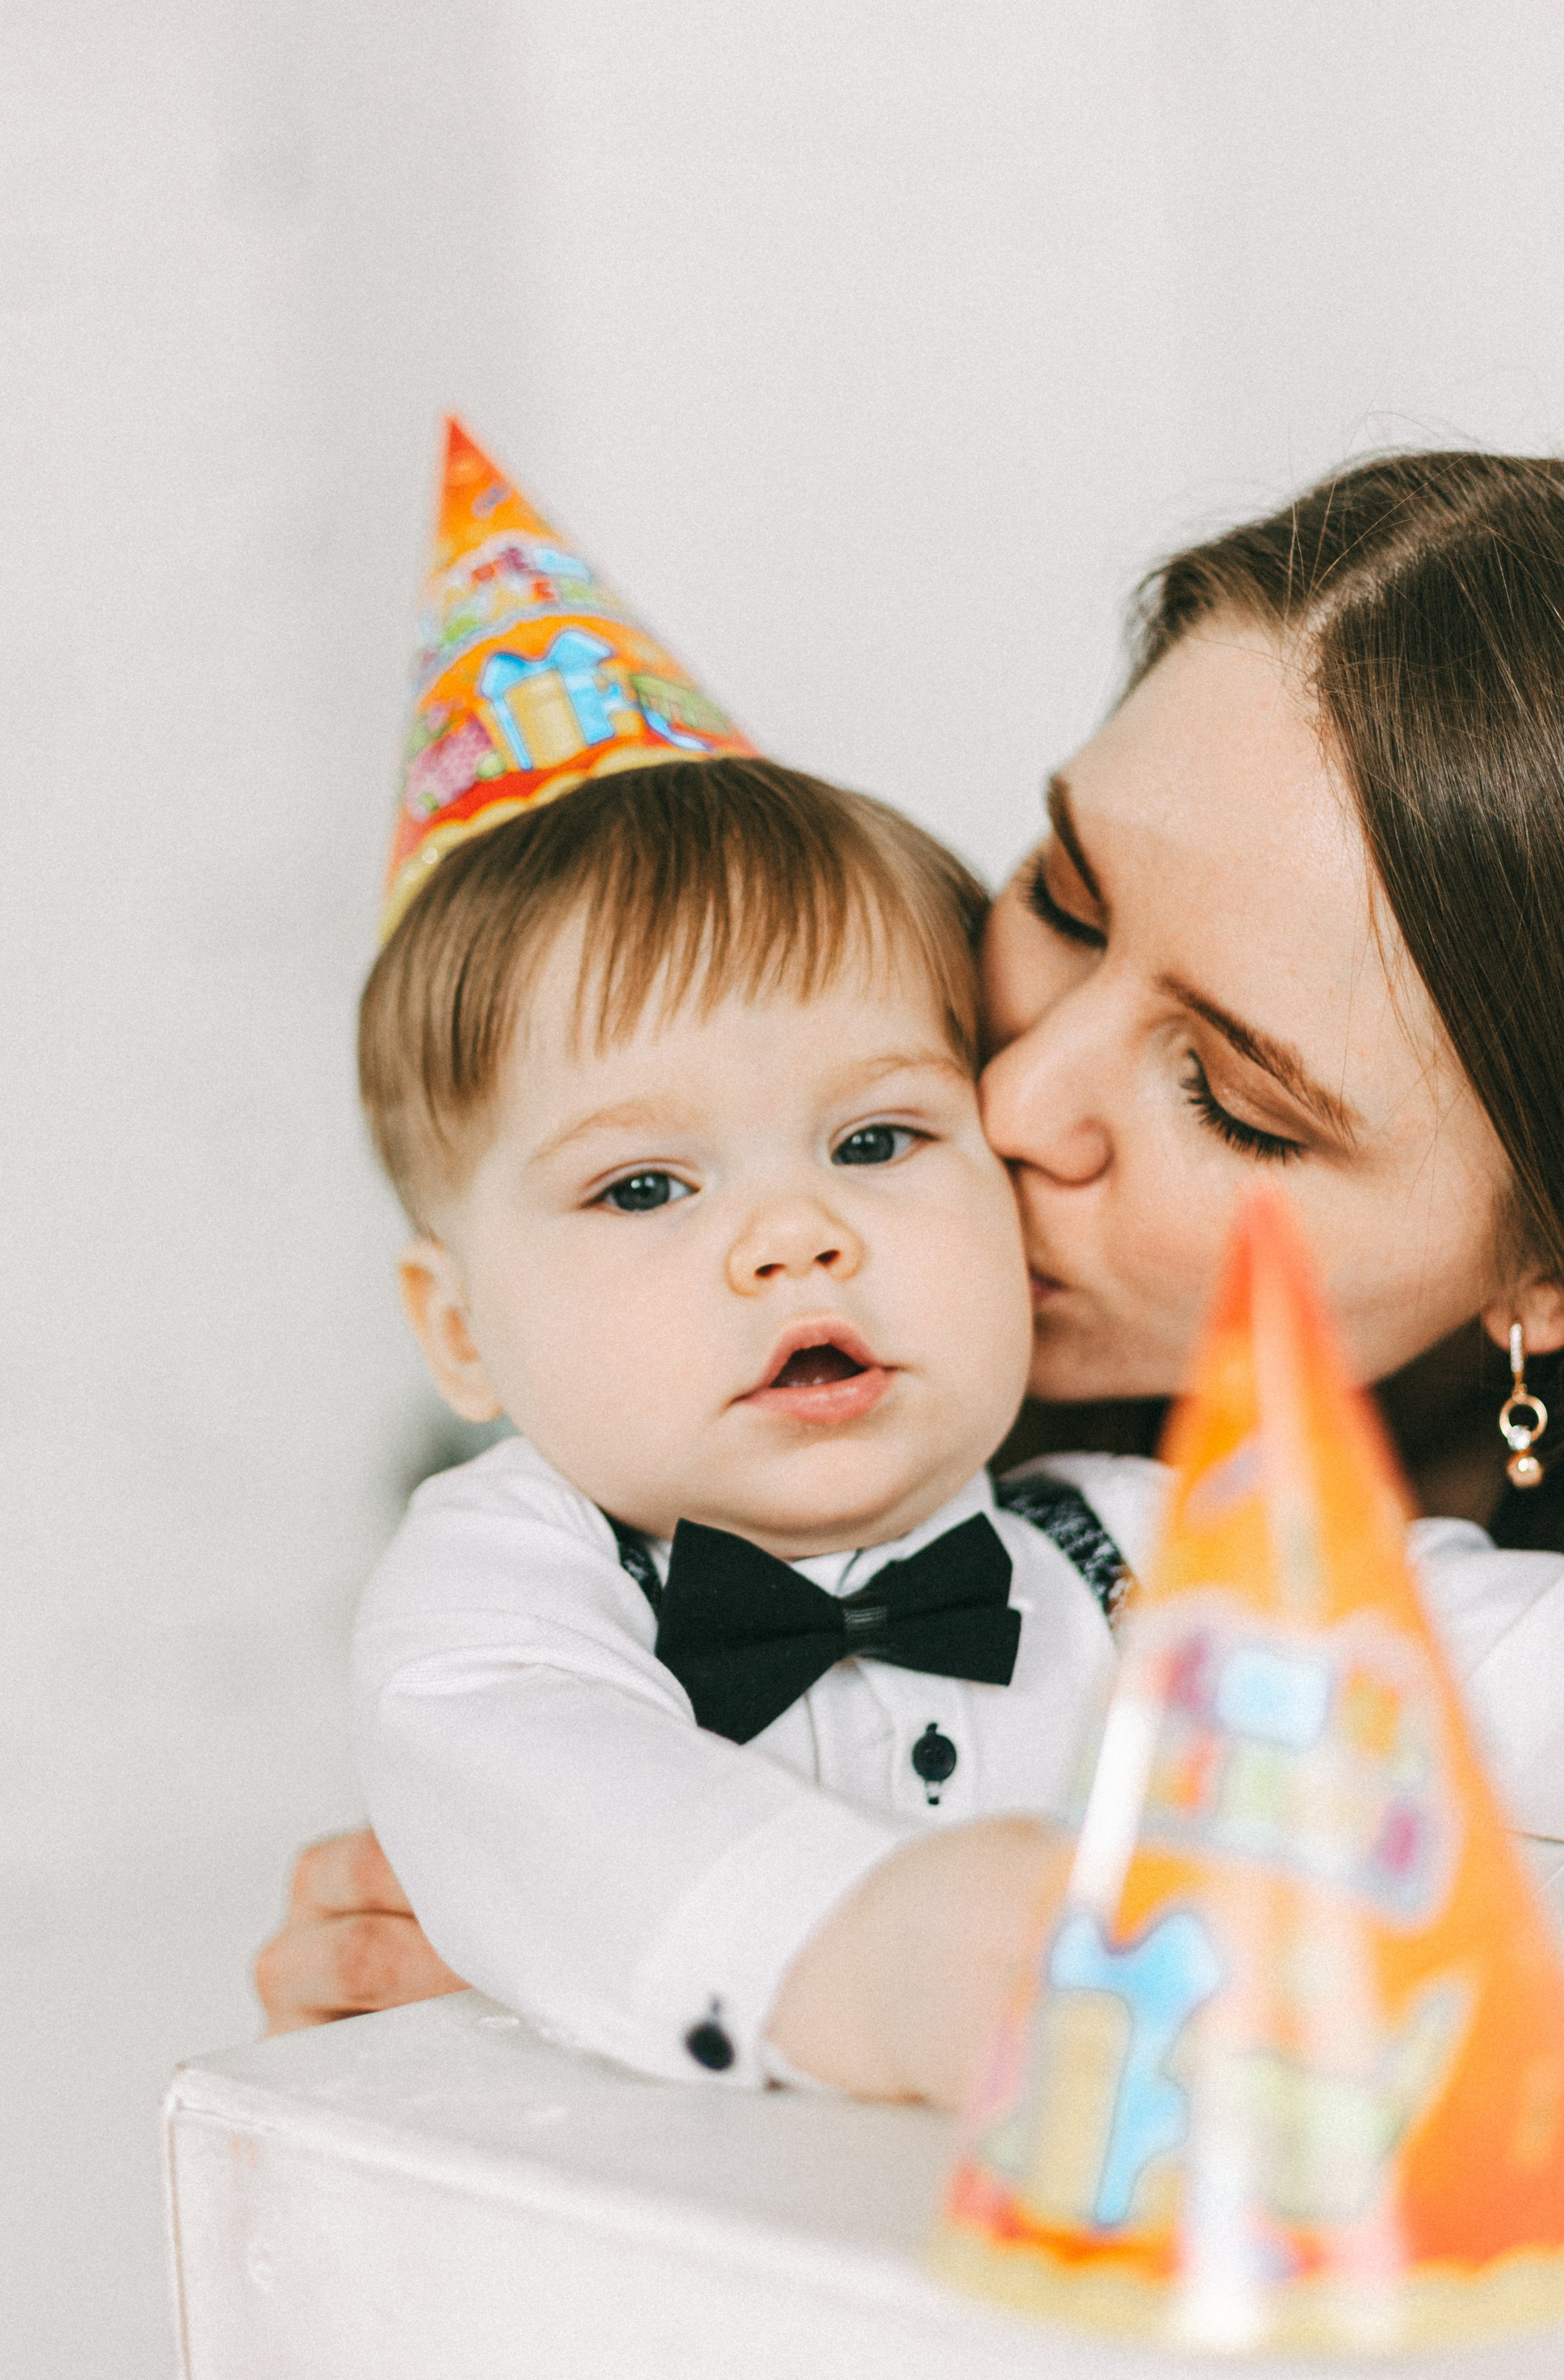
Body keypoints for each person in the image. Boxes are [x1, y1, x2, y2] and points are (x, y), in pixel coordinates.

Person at [257, 450, 1564, 2100]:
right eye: (1066, 901)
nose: (1007, 1102)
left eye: (1233, 1098)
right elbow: (516, 1753)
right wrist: (719, 1950)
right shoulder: (546, 1547)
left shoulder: (1147, 1549)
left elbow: (1456, 1663)